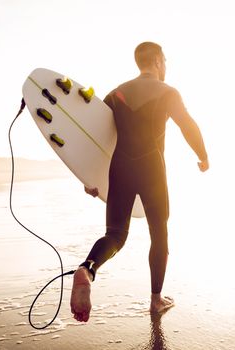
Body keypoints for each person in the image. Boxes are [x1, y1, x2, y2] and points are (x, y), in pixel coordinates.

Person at [70, 42, 209, 323]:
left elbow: (97, 140)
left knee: (116, 236)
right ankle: (156, 300)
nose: (166, 67)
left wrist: (90, 177)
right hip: (152, 169)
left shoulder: (115, 94)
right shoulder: (168, 92)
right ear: (158, 61)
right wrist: (203, 156)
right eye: (165, 61)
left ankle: (87, 268)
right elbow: (187, 124)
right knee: (159, 233)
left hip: (120, 168)